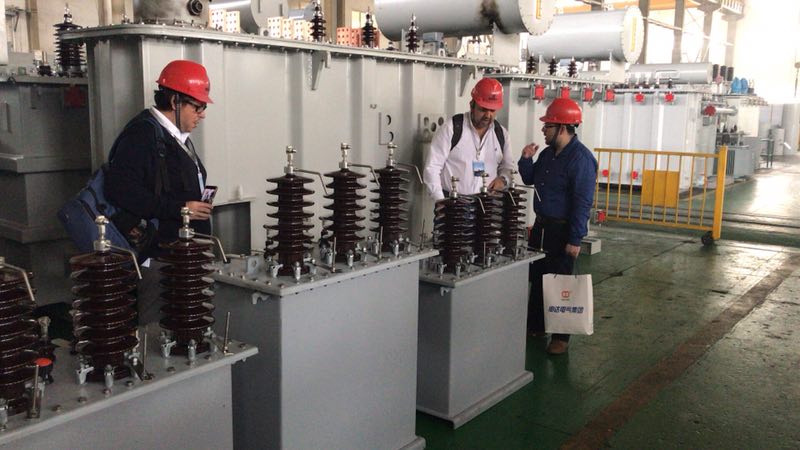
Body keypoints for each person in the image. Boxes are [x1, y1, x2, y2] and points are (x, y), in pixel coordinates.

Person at [105, 59, 214, 324]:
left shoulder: (175, 136)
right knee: (157, 328)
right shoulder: (142, 135)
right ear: (175, 101)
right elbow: (121, 190)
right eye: (197, 107)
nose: (202, 114)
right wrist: (180, 209)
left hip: (183, 254)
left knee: (185, 323)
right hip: (159, 257)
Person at [518, 98, 598, 355]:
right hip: (541, 227)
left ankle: (561, 337)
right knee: (538, 278)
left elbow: (582, 202)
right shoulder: (547, 155)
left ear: (562, 127)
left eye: (548, 126)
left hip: (562, 231)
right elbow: (530, 178)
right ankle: (536, 325)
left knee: (561, 283)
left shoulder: (581, 159)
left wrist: (575, 239)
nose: (543, 130)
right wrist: (526, 160)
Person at [423, 78, 515, 200]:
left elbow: (508, 167)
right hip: (453, 204)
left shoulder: (501, 134)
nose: (488, 115)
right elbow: (432, 168)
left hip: (486, 205)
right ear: (472, 105)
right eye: (483, 109)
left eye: (492, 110)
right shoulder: (452, 129)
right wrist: (440, 201)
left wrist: (503, 179)